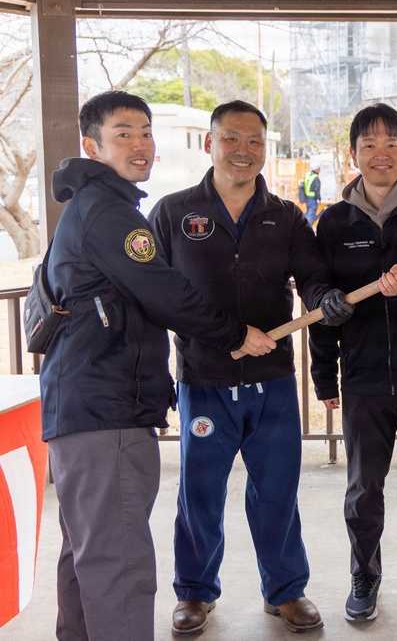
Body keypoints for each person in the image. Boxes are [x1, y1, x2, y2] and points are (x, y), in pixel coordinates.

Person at [40, 90, 275, 641]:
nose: (140, 143)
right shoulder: (111, 212)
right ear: (91, 146)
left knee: (87, 554)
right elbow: (165, 292)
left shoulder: (91, 207)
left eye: (146, 131)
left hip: (81, 405)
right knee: (119, 563)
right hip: (106, 411)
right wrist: (236, 334)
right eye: (124, 133)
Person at [149, 100, 351, 636]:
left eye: (254, 141)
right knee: (200, 491)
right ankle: (194, 592)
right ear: (211, 143)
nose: (243, 151)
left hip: (273, 382)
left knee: (278, 488)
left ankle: (285, 591)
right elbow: (157, 293)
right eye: (231, 139)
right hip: (203, 378)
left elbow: (311, 275)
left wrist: (325, 296)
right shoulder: (173, 212)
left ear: (266, 148)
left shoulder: (283, 215)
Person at [309, 103, 397, 623]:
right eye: (368, 144)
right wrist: (325, 373)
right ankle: (364, 573)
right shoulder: (334, 221)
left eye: (391, 143)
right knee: (363, 488)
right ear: (353, 154)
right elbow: (322, 302)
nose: (380, 153)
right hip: (365, 376)